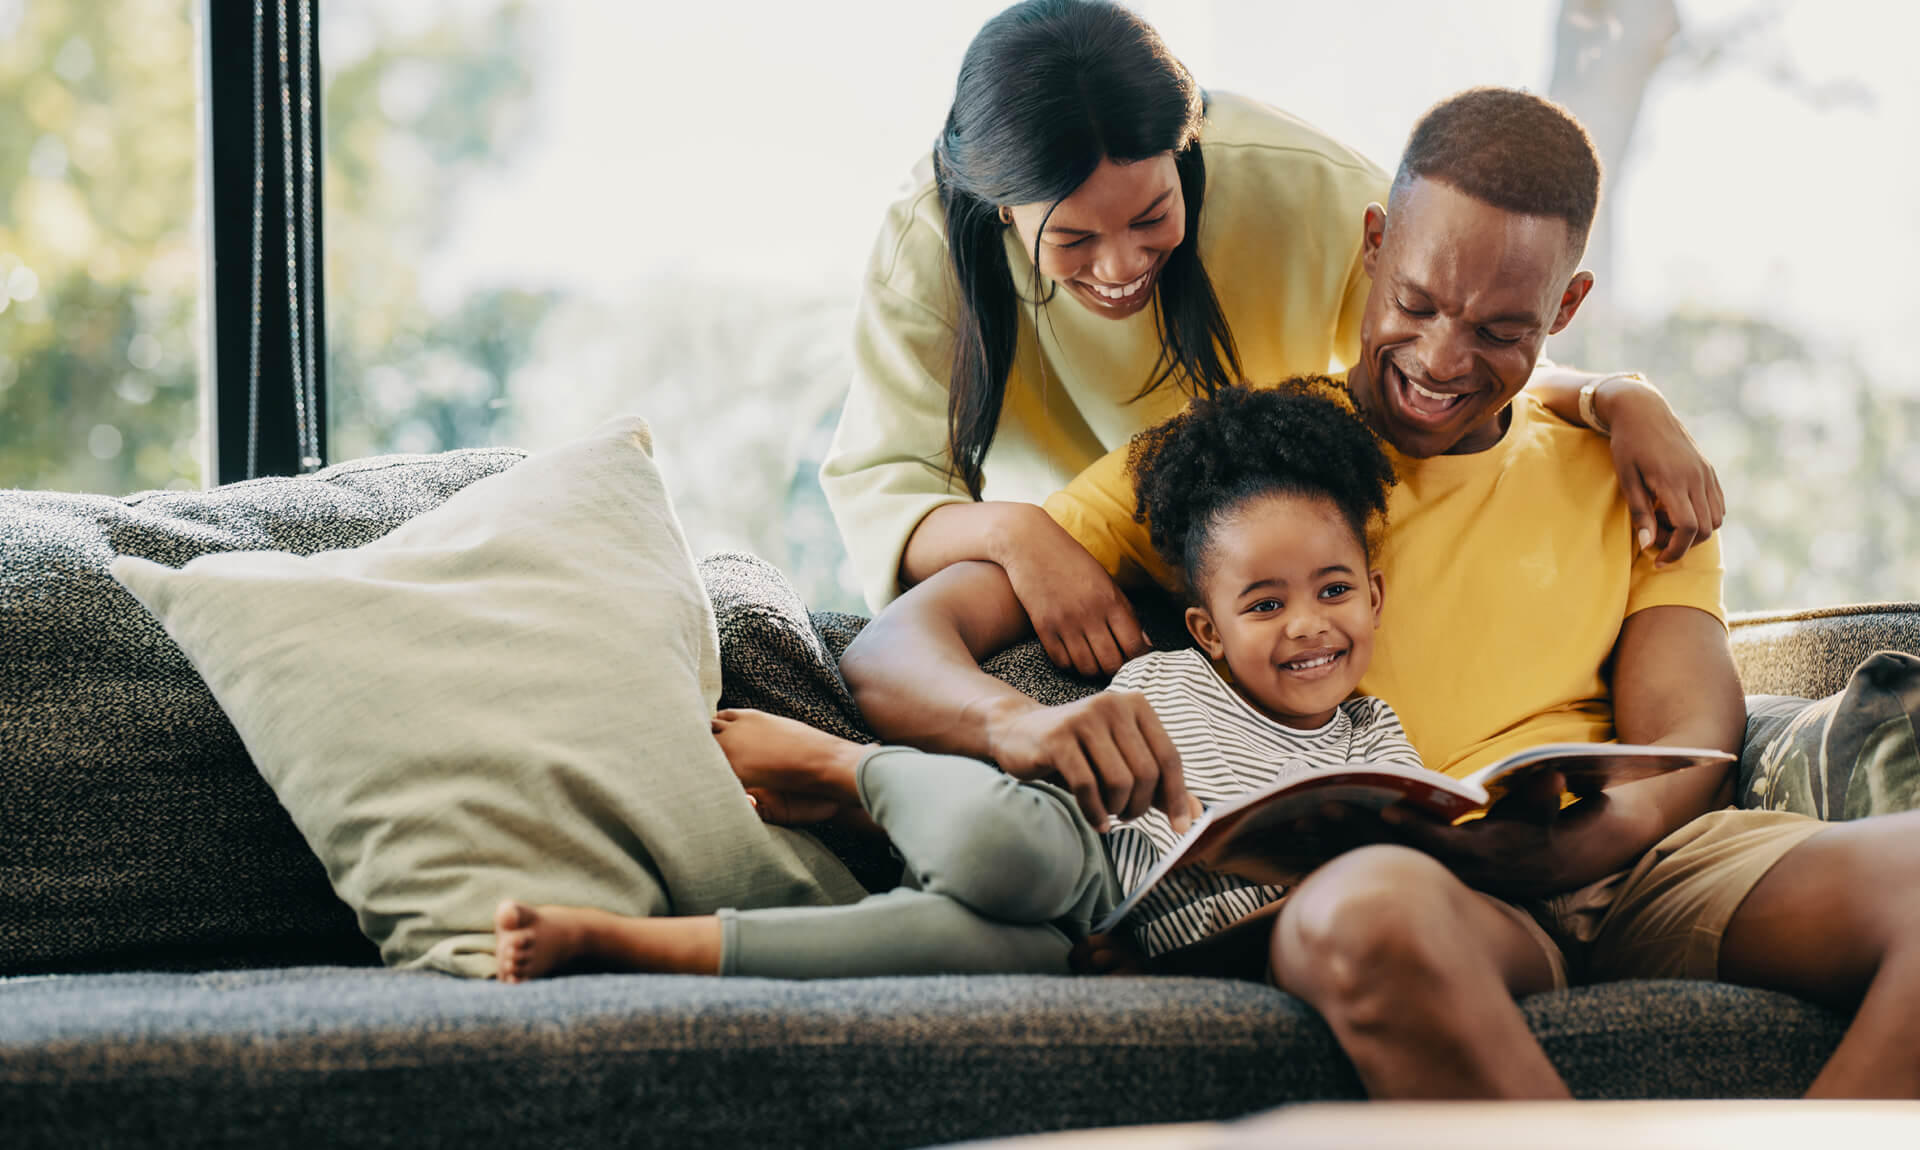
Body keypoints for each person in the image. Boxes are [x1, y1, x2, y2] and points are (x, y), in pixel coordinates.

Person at [839, 86, 1920, 1099]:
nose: (1444, 359)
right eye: (1415, 303)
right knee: (1357, 915)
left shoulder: (1622, 469)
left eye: (1502, 330)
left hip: (1640, 861)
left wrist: (1610, 826)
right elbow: (892, 649)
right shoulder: (1242, 467)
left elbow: (1688, 731)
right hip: (1432, 892)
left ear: (1570, 305)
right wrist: (1018, 724)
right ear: (1373, 244)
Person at [821, 0, 1724, 680]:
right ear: (999, 211)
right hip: (1085, 555)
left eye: (1151, 217)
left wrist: (1616, 397)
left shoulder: (1305, 186)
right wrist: (1022, 537)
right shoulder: (930, 241)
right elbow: (886, 485)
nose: (1121, 265)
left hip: (1269, 571)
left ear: (1188, 148)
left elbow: (1449, 356)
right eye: (1073, 241)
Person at [493, 384, 1423, 981]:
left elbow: (1411, 877)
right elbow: (1054, 793)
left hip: (1095, 945)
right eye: (1264, 606)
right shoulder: (1162, 684)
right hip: (1068, 858)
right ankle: (846, 772)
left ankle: (623, 944)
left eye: (1334, 591)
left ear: (1374, 599)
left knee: (965, 953)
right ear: (1207, 631)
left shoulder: (1374, 738)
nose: (1307, 624)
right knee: (1021, 857)